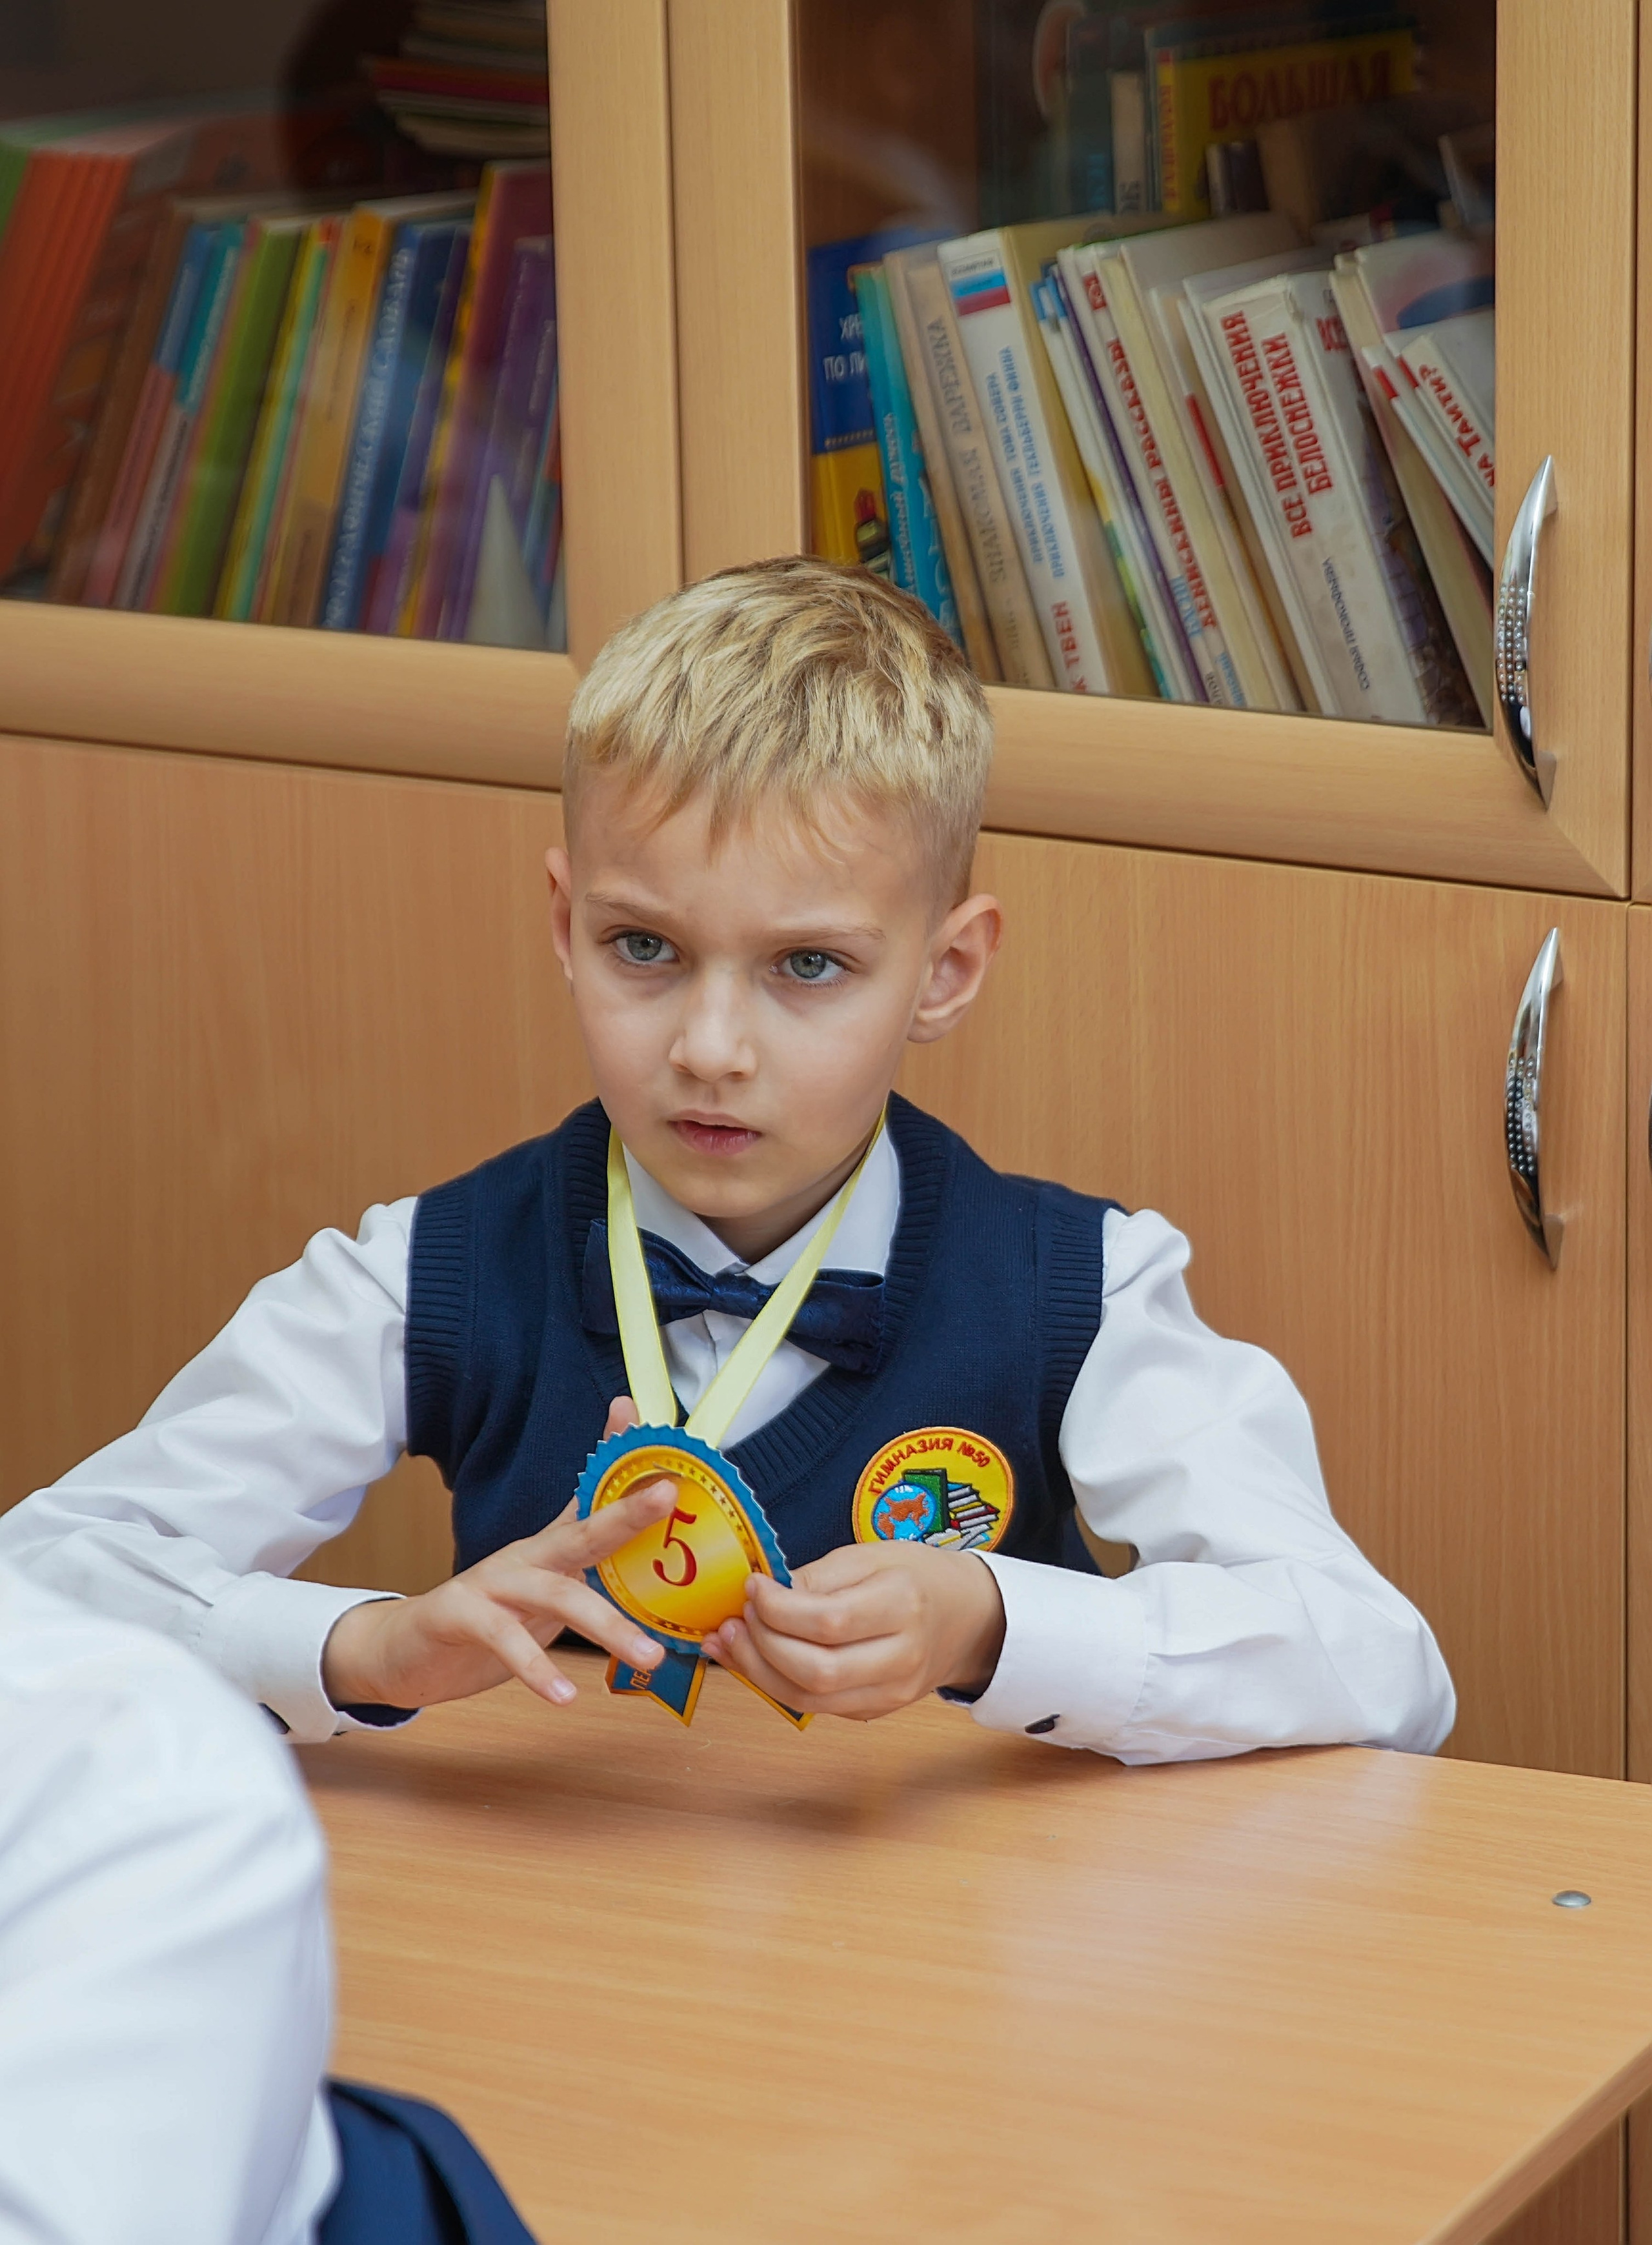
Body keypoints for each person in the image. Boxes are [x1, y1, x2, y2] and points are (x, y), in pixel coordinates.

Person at [0, 559, 1454, 1759]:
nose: (708, 1047)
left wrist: (992, 1623)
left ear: (945, 973)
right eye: (646, 948)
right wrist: (365, 1644)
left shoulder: (1085, 1291)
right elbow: (37, 1587)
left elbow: (1382, 1668)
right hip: (579, 1964)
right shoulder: (421, 1276)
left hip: (970, 1995)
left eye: (805, 967)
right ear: (565, 925)